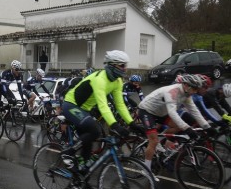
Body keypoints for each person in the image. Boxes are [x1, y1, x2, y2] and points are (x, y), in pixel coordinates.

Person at [61, 50, 145, 178]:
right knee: (94, 130)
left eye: (125, 65)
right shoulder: (100, 79)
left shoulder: (117, 81)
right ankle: (68, 153)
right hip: (71, 105)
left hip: (84, 109)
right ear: (112, 65)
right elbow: (103, 105)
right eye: (122, 65)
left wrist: (132, 123)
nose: (125, 68)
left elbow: (120, 104)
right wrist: (115, 125)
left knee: (89, 139)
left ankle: (80, 173)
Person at [137, 74, 216, 173]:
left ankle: (159, 140)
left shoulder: (187, 94)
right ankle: (146, 169)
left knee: (177, 127)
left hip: (161, 112)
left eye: (197, 89)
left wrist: (207, 127)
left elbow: (194, 111)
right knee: (153, 141)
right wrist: (187, 128)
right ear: (187, 85)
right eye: (195, 89)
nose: (196, 92)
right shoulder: (173, 91)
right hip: (146, 110)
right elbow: (173, 113)